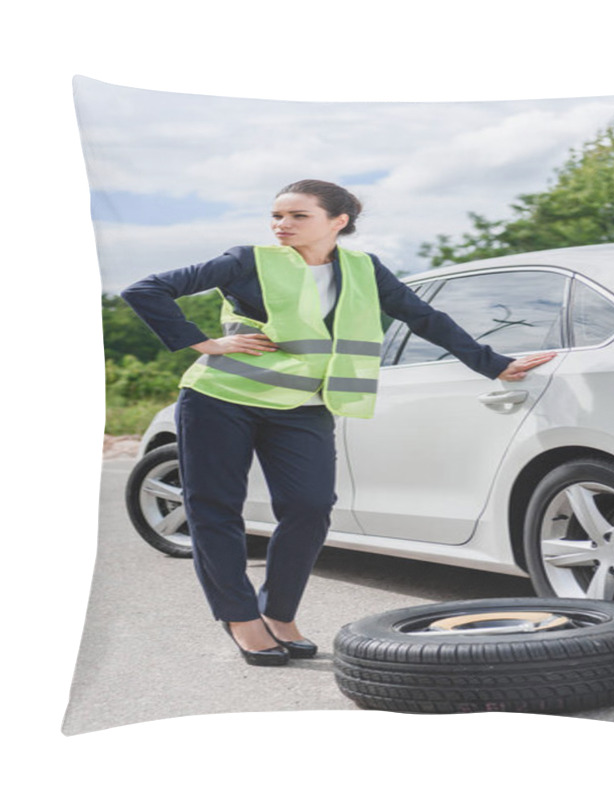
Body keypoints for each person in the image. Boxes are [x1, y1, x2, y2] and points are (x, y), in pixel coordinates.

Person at [122, 179, 556, 666]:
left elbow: (423, 317)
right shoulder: (247, 261)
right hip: (221, 398)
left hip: (305, 405)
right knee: (216, 510)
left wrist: (492, 363)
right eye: (277, 215)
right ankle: (242, 618)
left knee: (310, 507)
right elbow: (146, 290)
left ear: (338, 221)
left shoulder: (364, 270)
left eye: (297, 216)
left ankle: (279, 611)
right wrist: (204, 343)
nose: (281, 225)